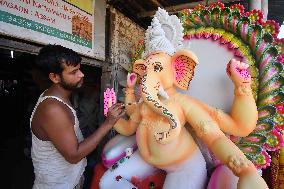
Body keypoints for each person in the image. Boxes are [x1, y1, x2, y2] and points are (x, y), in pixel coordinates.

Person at [30, 44, 125, 189]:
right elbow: (73, 155)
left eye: (79, 69)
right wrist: (109, 123)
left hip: (69, 180)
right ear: (55, 77)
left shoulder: (59, 95)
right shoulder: (53, 109)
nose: (81, 74)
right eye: (74, 72)